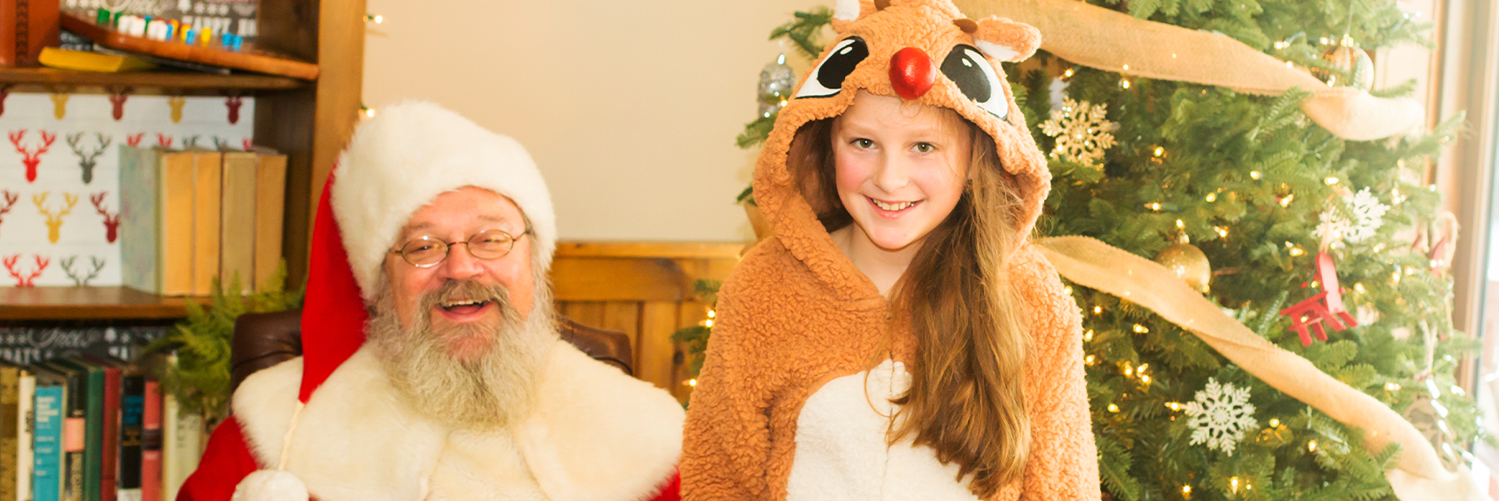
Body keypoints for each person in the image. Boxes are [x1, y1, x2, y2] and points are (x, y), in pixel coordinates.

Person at [680, 0, 1098, 500]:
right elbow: (718, 478)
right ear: (826, 143)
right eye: (863, 143)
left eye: (924, 147)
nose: (889, 179)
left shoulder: (1033, 300)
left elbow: (1062, 488)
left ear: (975, 155)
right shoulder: (762, 288)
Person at [180, 102, 684, 501]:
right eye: (423, 248)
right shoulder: (269, 433)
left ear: (534, 262)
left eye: (491, 240)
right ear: (379, 287)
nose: (461, 269)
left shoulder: (645, 440)